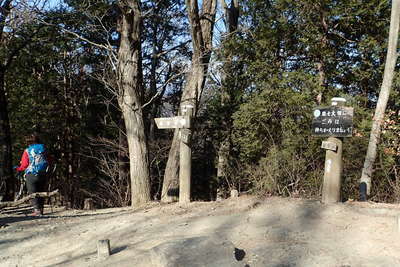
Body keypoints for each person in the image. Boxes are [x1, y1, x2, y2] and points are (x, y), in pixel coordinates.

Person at [15, 134, 49, 216]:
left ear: (28, 142)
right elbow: (49, 159)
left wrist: (17, 168)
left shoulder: (27, 150)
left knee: (33, 192)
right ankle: (41, 210)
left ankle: (37, 210)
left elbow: (25, 165)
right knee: (41, 191)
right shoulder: (43, 148)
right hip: (43, 173)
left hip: (31, 174)